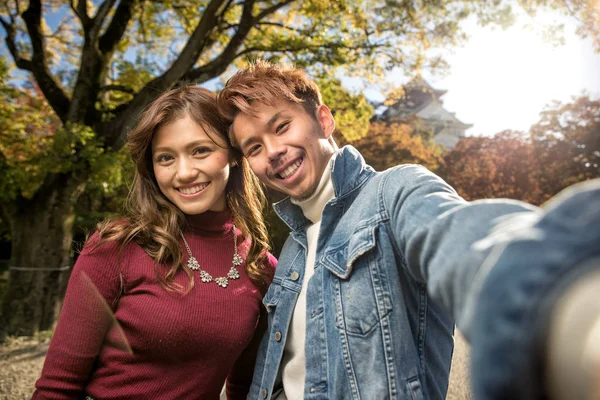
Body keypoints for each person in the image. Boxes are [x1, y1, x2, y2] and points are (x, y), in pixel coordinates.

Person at [216, 61, 600, 400]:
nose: (272, 151)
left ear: (324, 119)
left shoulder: (395, 192)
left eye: (282, 127)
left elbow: (463, 239)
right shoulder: (292, 253)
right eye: (254, 148)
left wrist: (571, 311)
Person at [32, 86, 277, 399]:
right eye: (166, 158)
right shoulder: (116, 247)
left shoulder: (262, 267)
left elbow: (244, 389)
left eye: (200, 150)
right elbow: (57, 387)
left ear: (233, 154)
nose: (184, 172)